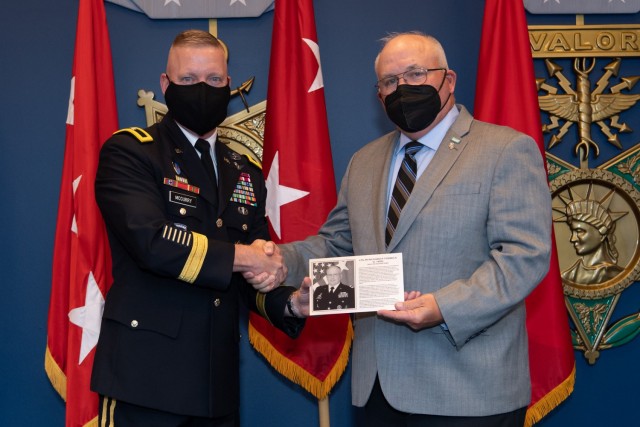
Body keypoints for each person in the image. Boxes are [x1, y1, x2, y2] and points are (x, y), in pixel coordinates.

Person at [247, 31, 552, 426]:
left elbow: (524, 257)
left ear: (449, 80)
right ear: (379, 95)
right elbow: (338, 245)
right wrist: (277, 260)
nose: (401, 89)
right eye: (389, 82)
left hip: (468, 392)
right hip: (377, 392)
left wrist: (444, 307)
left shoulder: (505, 150)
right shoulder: (365, 162)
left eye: (415, 74)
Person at [90, 29, 310, 427]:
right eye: (188, 79)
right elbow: (152, 242)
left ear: (228, 83)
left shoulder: (243, 170)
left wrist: (290, 303)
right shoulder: (130, 151)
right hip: (146, 382)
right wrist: (245, 256)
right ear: (165, 84)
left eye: (214, 80)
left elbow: (248, 276)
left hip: (215, 385)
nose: (202, 89)